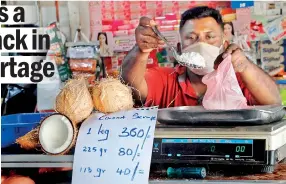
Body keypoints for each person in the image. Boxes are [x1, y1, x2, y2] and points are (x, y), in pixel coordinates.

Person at [121, 6, 281, 108]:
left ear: (224, 45)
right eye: (191, 37)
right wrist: (141, 50)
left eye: (210, 37)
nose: (201, 44)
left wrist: (245, 66)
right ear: (179, 48)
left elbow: (274, 102)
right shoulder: (167, 80)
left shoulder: (240, 80)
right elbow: (131, 84)